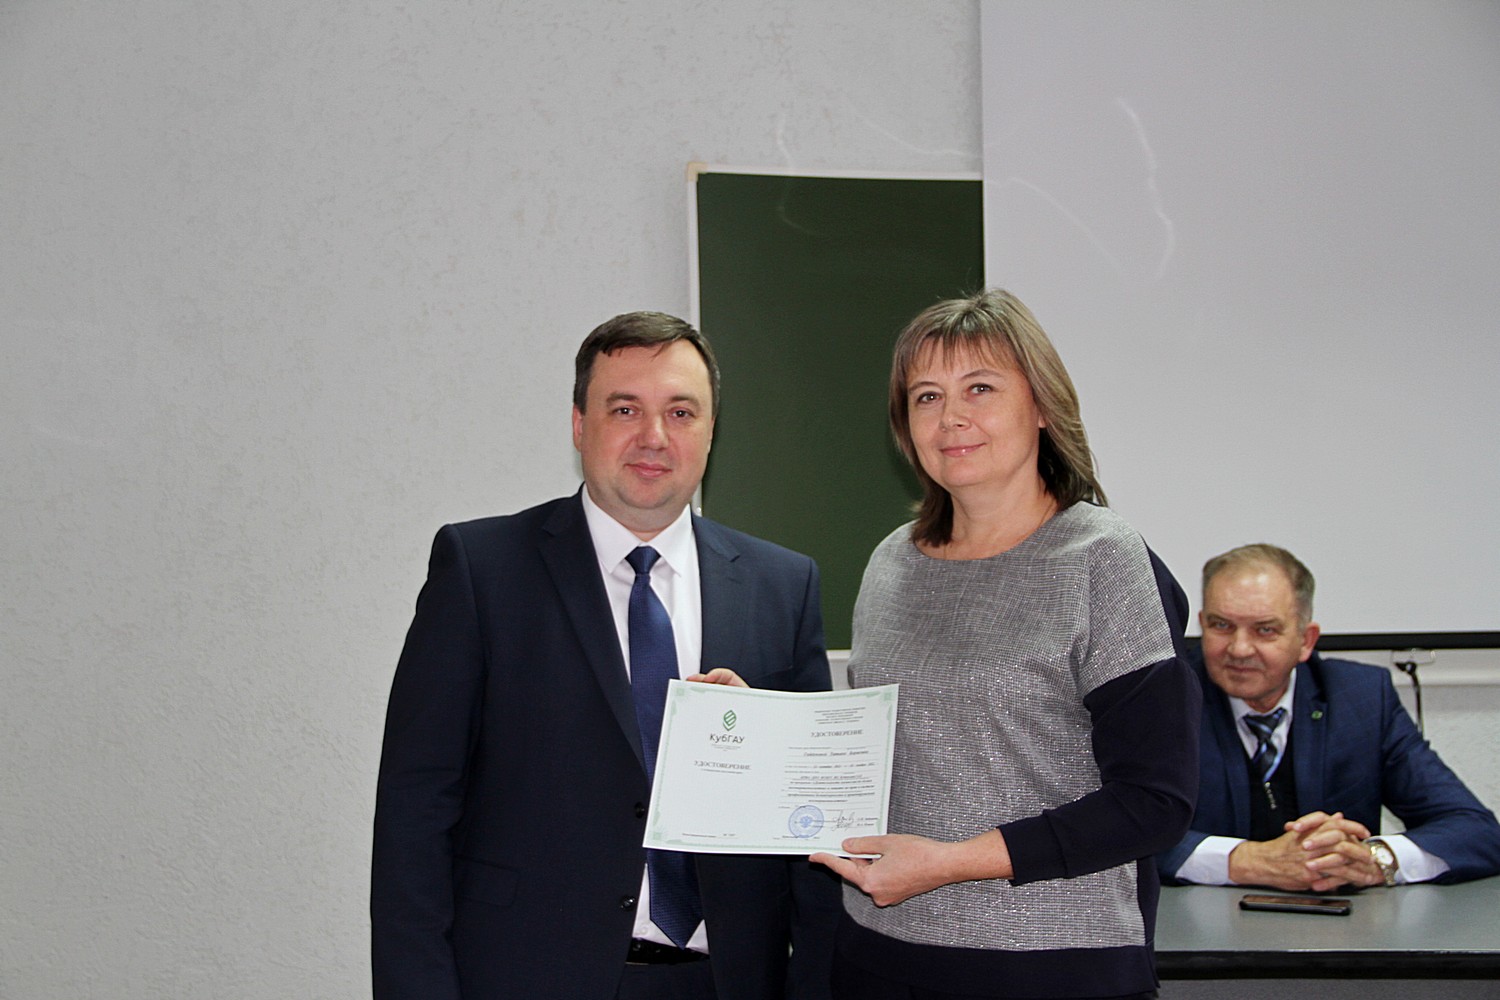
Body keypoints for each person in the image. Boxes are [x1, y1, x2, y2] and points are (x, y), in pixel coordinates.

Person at [371, 311, 840, 1000]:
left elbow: (814, 821)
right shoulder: (481, 569)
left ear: (711, 431)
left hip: (726, 982)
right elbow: (415, 812)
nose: (654, 436)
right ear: (578, 424)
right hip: (526, 979)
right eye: (625, 409)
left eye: (681, 412)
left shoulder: (783, 587)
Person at [812, 289, 1201, 1000]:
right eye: (926, 397)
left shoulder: (1104, 560)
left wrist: (952, 862)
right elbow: (884, 756)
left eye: (980, 388)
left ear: (1042, 405)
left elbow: (1154, 800)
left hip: (1051, 968)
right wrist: (759, 735)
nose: (950, 417)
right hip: (877, 956)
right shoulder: (890, 562)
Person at [1159, 543, 1500, 891]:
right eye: (1221, 625)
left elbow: (1477, 830)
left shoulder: (1362, 700)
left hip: (1340, 919)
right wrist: (1243, 862)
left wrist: (1373, 860)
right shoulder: (1164, 700)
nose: (1239, 648)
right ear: (1202, 624)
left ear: (1306, 640)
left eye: (1265, 630)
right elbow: (1131, 832)